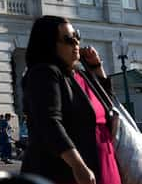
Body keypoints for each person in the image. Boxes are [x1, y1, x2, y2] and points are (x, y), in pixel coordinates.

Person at [20, 15, 120, 184]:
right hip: (66, 172)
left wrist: (97, 67)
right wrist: (78, 165)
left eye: (77, 36)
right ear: (49, 43)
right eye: (68, 39)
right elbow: (49, 122)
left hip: (104, 164)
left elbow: (107, 107)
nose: (76, 44)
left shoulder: (80, 74)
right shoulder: (44, 73)